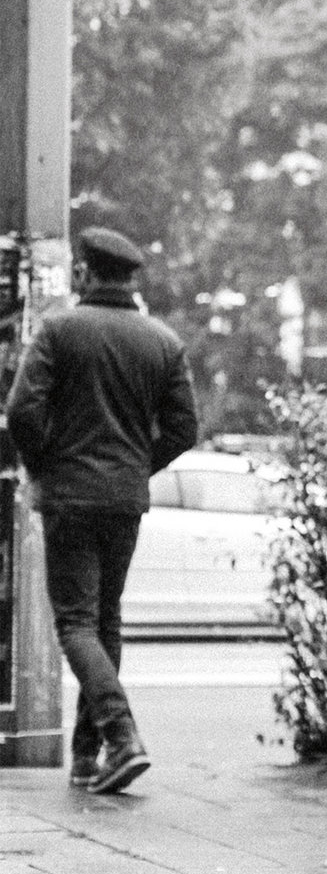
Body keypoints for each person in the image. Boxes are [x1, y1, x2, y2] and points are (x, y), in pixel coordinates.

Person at [4, 226, 198, 793]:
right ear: (130, 278)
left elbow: (22, 412)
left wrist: (45, 466)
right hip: (124, 500)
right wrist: (137, 467)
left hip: (69, 497)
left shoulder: (60, 330)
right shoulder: (163, 342)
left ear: (86, 273)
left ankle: (121, 734)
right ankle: (88, 758)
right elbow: (183, 429)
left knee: (75, 622)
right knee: (105, 621)